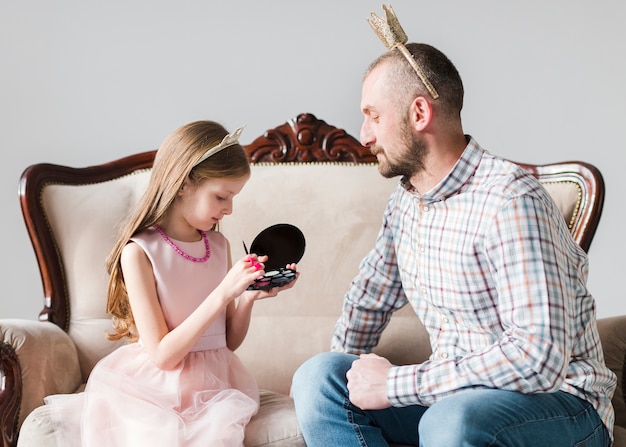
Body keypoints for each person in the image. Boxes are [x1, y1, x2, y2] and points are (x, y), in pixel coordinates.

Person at [291, 6, 616, 447]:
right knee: (319, 379)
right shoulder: (406, 203)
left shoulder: (510, 200)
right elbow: (369, 298)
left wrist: (392, 386)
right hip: (452, 398)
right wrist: (353, 375)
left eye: (374, 115)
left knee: (451, 422)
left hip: (560, 406)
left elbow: (539, 359)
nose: (364, 133)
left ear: (419, 113)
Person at [44, 120, 299, 446]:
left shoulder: (219, 247)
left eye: (233, 198)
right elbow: (164, 356)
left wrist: (248, 295)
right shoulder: (139, 253)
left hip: (217, 384)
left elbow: (227, 342)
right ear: (183, 185)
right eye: (222, 196)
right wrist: (222, 293)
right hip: (157, 388)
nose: (230, 209)